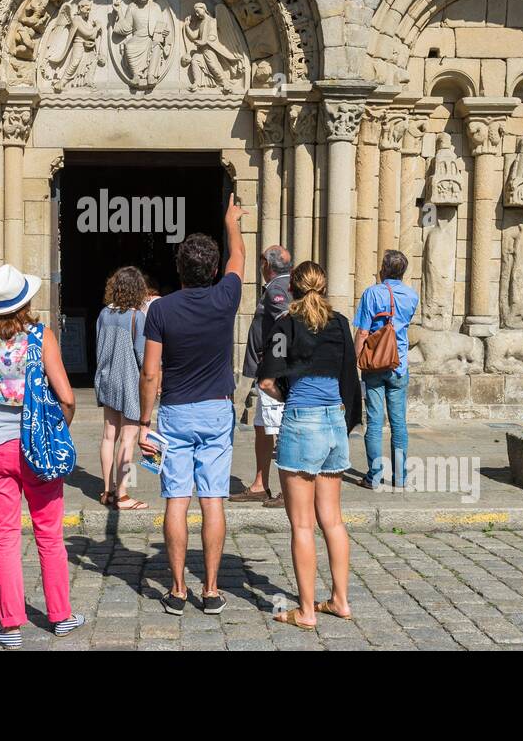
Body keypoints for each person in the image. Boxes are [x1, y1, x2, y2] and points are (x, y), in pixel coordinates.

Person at [0, 263, 85, 649]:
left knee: (4, 537)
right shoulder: (40, 337)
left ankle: (10, 628)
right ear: (24, 301)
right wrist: (57, 429)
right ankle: (60, 616)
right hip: (36, 447)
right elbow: (68, 398)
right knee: (49, 534)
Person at [138, 194, 246, 615]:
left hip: (176, 411)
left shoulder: (161, 309)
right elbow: (239, 254)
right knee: (213, 499)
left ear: (178, 269)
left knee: (176, 500)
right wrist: (231, 221)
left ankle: (179, 590)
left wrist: (145, 421)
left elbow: (151, 372)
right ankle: (213, 589)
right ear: (214, 270)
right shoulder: (226, 298)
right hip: (217, 408)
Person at [257, 260, 362, 629]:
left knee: (302, 525)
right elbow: (351, 373)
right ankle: (341, 600)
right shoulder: (340, 324)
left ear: (294, 289)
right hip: (335, 419)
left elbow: (268, 380)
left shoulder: (285, 324)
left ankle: (305, 611)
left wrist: (290, 393)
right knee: (332, 520)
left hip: (303, 421)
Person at [231, 244, 292, 505]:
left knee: (279, 429)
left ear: (267, 264)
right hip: (268, 369)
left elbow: (289, 321)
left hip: (273, 371)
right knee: (262, 427)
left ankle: (287, 491)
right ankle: (259, 484)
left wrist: (276, 359)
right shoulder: (282, 285)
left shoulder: (278, 289)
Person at [353, 250, 419, 489]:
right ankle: (400, 477)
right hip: (399, 363)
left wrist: (356, 358)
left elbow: (362, 331)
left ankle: (374, 476)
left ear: (383, 269)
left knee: (373, 421)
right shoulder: (412, 295)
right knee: (399, 423)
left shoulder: (371, 293)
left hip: (374, 363)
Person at [94, 265, 149, 510]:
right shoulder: (138, 316)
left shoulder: (104, 314)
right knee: (128, 437)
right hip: (129, 380)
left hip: (106, 377)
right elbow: (141, 354)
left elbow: (97, 344)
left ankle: (107, 490)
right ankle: (123, 494)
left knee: (108, 435)